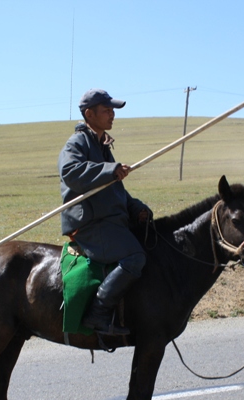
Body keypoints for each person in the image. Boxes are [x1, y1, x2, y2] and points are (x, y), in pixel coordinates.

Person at [58, 89, 152, 336]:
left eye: (113, 110)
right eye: (107, 110)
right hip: (90, 222)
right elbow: (70, 171)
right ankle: (98, 313)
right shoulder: (77, 142)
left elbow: (114, 189)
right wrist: (110, 170)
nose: (112, 115)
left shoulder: (101, 145)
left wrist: (136, 208)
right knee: (135, 257)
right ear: (89, 114)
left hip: (108, 219)